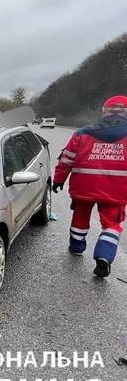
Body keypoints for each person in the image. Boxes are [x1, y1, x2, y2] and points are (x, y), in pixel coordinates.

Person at [53, 95, 127, 277]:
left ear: (104, 111)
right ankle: (104, 257)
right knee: (111, 224)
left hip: (83, 187)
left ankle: (77, 247)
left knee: (80, 217)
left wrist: (58, 180)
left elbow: (66, 159)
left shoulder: (83, 133)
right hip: (116, 191)